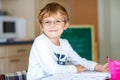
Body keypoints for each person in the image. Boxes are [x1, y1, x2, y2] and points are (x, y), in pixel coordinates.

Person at [27, 2, 109, 80]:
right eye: (47, 22)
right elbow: (51, 69)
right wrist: (75, 68)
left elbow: (80, 61)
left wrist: (99, 67)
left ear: (65, 25)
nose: (52, 25)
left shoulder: (64, 43)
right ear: (42, 26)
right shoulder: (40, 42)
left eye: (58, 21)